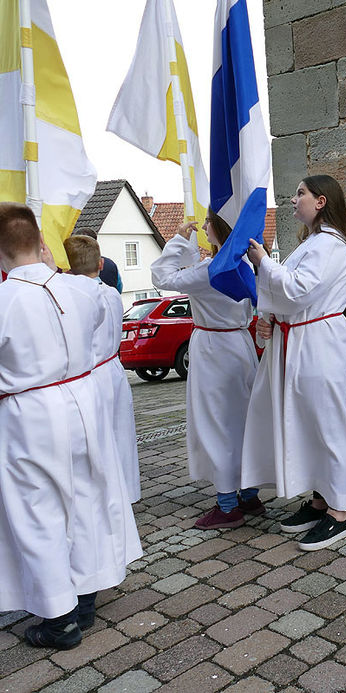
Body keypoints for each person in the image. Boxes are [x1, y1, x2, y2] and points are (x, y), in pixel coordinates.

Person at [0, 203, 141, 649]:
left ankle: (59, 619)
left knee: (38, 509)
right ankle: (84, 596)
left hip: (31, 411)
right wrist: (49, 269)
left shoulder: (6, 301)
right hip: (83, 402)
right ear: (41, 241)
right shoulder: (82, 291)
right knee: (85, 497)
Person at [241, 175, 346, 551]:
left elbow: (298, 289)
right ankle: (320, 499)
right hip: (300, 340)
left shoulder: (330, 245)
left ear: (321, 201)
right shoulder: (313, 243)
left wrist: (263, 263)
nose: (293, 200)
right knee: (307, 423)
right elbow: (289, 298)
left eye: (300, 194)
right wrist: (272, 316)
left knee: (328, 423)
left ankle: (341, 512)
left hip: (320, 344)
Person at [150, 212, 261, 528]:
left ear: (216, 228)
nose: (203, 225)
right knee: (243, 420)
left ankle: (227, 505)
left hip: (213, 348)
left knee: (217, 423)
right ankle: (249, 493)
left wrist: (180, 242)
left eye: (208, 221)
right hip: (240, 344)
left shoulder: (209, 270)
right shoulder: (243, 264)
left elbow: (162, 277)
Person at [63, 235, 140, 503]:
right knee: (121, 433)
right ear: (101, 262)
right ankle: (127, 490)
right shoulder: (111, 293)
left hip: (93, 372)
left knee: (98, 437)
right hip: (114, 368)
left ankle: (104, 494)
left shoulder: (75, 294)